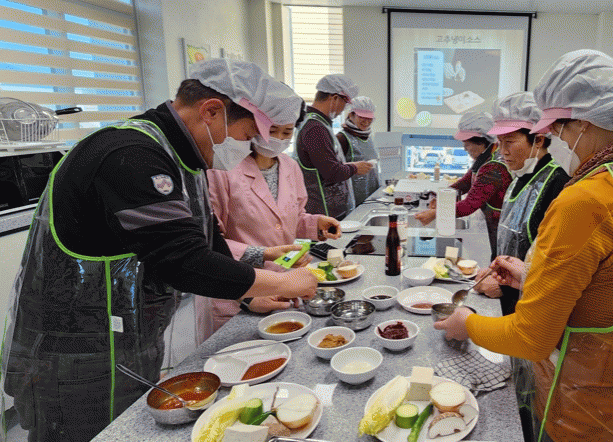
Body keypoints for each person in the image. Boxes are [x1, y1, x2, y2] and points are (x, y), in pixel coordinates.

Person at [1, 59, 318, 442]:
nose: (246, 148)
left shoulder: (182, 161)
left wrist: (252, 290)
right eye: (247, 134)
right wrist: (285, 282)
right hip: (75, 357)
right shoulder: (129, 155)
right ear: (211, 111)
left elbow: (207, 242)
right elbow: (183, 262)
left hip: (128, 341)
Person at [435, 50, 613, 442]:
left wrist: (467, 323)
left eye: (559, 131)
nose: (555, 141)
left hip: (588, 415)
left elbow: (531, 338)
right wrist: (536, 277)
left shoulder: (586, 199)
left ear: (583, 122)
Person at [196, 100, 341, 344]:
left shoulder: (290, 167)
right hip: (236, 290)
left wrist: (316, 224)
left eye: (287, 132)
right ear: (255, 126)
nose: (278, 139)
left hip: (281, 285)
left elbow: (289, 218)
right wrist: (258, 263)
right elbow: (209, 242)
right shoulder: (222, 169)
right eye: (272, 130)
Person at [473, 91, 569, 316]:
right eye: (499, 143)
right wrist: (494, 271)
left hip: (533, 307)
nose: (502, 151)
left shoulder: (558, 184)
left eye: (509, 142)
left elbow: (558, 267)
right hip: (509, 300)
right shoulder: (520, 177)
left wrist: (505, 288)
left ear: (539, 140)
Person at [415, 112, 512, 260]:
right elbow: (465, 183)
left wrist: (435, 213)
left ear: (480, 141)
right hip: (489, 223)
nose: (465, 148)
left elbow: (469, 204)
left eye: (466, 143)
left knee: (496, 260)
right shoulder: (485, 156)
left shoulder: (493, 167)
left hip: (498, 228)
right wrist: (441, 195)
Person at [292, 74, 374, 220]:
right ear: (335, 98)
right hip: (322, 212)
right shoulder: (315, 128)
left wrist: (347, 166)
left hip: (328, 212)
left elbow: (326, 164)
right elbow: (331, 172)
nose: (343, 110)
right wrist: (355, 168)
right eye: (345, 103)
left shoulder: (318, 123)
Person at [337, 96, 380, 205]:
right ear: (351, 115)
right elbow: (333, 170)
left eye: (369, 118)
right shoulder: (342, 138)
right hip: (351, 200)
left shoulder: (368, 137)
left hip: (371, 195)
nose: (366, 121)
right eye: (362, 117)